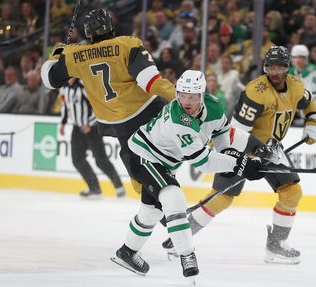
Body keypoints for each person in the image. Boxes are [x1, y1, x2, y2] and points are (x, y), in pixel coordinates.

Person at [162, 46, 316, 265]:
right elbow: (234, 131)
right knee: (221, 199)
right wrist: (246, 159)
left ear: (289, 68)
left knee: (291, 193)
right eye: (270, 67)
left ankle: (276, 244)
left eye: (280, 67)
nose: (275, 72)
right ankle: (178, 240)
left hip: (272, 148)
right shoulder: (256, 92)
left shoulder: (296, 85)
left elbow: (308, 103)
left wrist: (314, 118)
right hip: (242, 146)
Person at [111, 70, 275, 280]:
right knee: (173, 196)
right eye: (182, 95)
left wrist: (240, 161)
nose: (186, 101)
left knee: (152, 212)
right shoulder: (179, 119)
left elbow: (222, 144)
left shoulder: (215, 106)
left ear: (202, 96)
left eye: (192, 96)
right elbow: (203, 162)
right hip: (142, 154)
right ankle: (187, 256)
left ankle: (127, 251)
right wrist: (240, 164)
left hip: (165, 163)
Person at [41, 9, 175, 197]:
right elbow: (151, 81)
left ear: (88, 33)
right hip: (147, 110)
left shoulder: (75, 55)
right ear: (111, 27)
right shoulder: (127, 43)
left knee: (138, 172)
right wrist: (179, 97)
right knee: (170, 148)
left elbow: (49, 80)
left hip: (119, 123)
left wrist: (57, 54)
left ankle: (159, 204)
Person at [59, 78, 125, 198]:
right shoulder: (64, 88)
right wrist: (63, 123)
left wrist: (90, 123)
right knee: (77, 160)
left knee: (100, 160)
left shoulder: (83, 86)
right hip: (77, 128)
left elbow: (98, 104)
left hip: (92, 129)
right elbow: (65, 105)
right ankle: (94, 188)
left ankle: (119, 186)